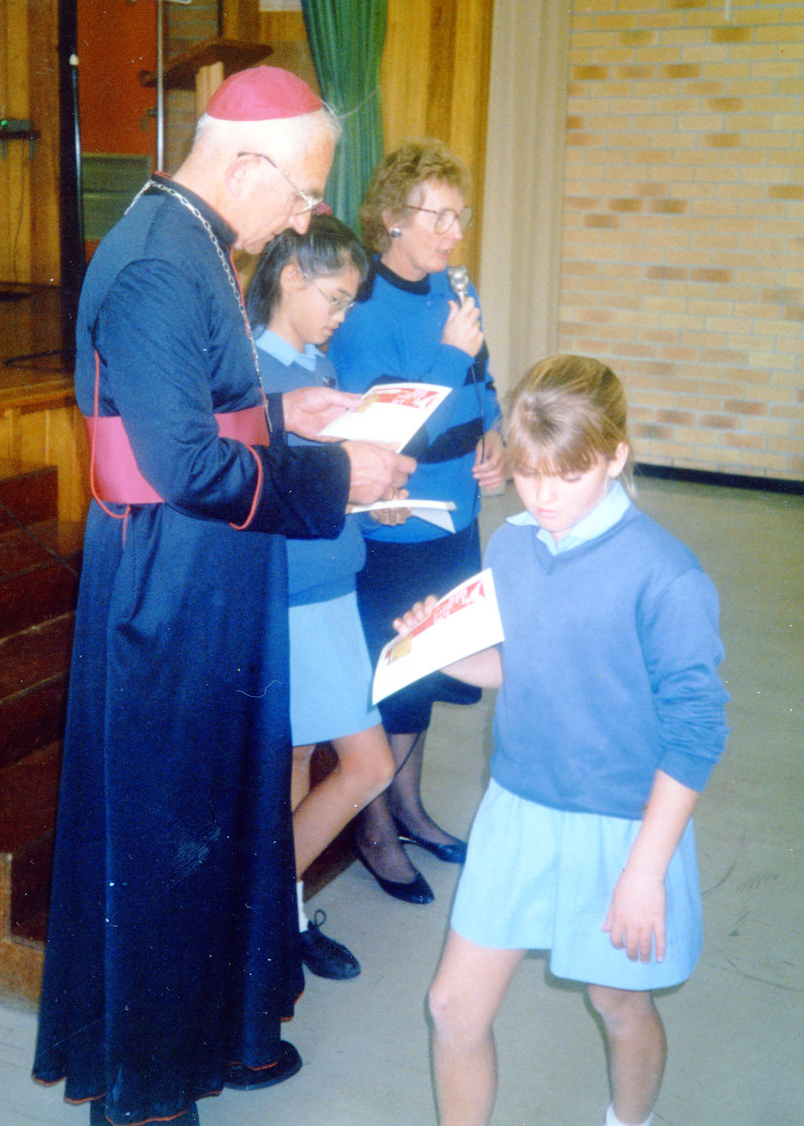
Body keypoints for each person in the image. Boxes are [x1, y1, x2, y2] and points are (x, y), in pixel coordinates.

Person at [32, 66, 414, 1126]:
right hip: (168, 596)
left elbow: (211, 428)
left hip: (208, 580)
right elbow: (186, 469)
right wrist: (341, 478)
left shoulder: (192, 241)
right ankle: (148, 1099)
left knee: (212, 820)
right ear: (246, 161)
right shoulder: (159, 264)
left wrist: (298, 421)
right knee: (168, 840)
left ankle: (204, 1039)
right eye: (297, 195)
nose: (301, 219)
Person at [394, 354, 729, 1126]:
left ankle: (627, 1120)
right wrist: (435, 648)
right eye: (528, 471)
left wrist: (646, 870)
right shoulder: (512, 544)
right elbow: (515, 665)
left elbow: (696, 733)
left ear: (615, 455)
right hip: (518, 806)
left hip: (623, 823)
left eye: (567, 474)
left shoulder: (666, 575)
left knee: (617, 999)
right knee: (451, 1007)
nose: (543, 495)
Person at [329, 140, 505, 904]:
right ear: (394, 218)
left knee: (437, 665)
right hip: (401, 519)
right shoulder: (363, 308)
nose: (455, 231)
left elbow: (480, 371)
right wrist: (446, 353)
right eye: (441, 216)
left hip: (458, 509)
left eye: (460, 216)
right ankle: (373, 830)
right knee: (396, 674)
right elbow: (383, 430)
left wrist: (493, 430)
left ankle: (410, 805)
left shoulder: (453, 282)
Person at [247, 214, 397, 981]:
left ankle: (285, 916)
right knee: (368, 765)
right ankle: (266, 911)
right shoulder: (256, 376)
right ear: (290, 278)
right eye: (334, 298)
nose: (342, 316)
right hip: (297, 593)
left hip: (330, 581)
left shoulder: (316, 362)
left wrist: (376, 496)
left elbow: (324, 485)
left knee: (302, 753)